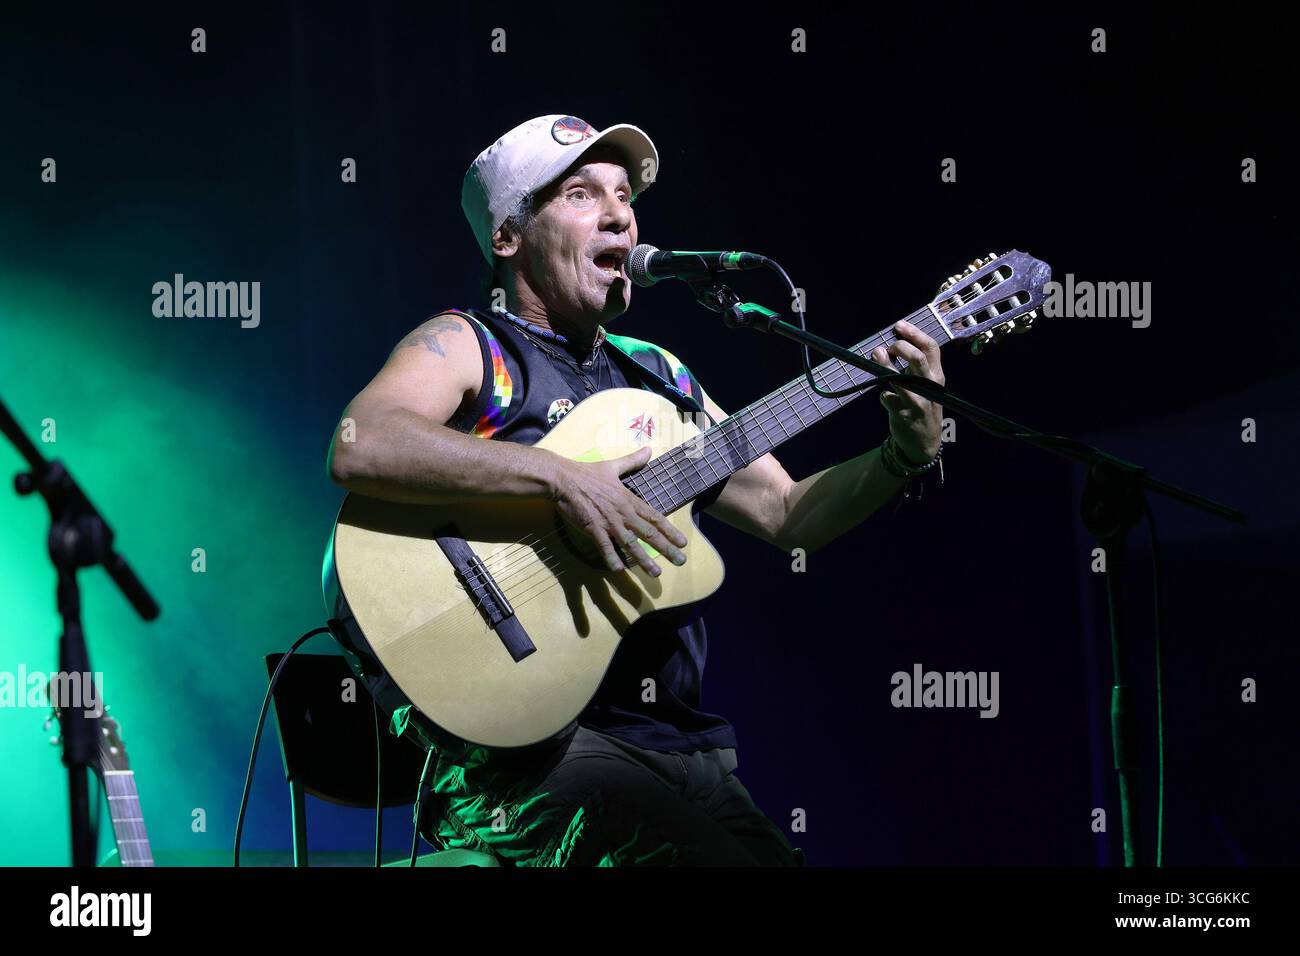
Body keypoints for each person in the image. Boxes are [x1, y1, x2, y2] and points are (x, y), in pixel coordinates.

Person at [326, 114, 947, 866]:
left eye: (625, 195)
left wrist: (903, 455)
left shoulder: (659, 374)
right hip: (525, 759)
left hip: (677, 747)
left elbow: (787, 515)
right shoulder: (471, 345)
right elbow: (363, 441)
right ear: (508, 237)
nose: (620, 213)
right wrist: (558, 477)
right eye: (582, 195)